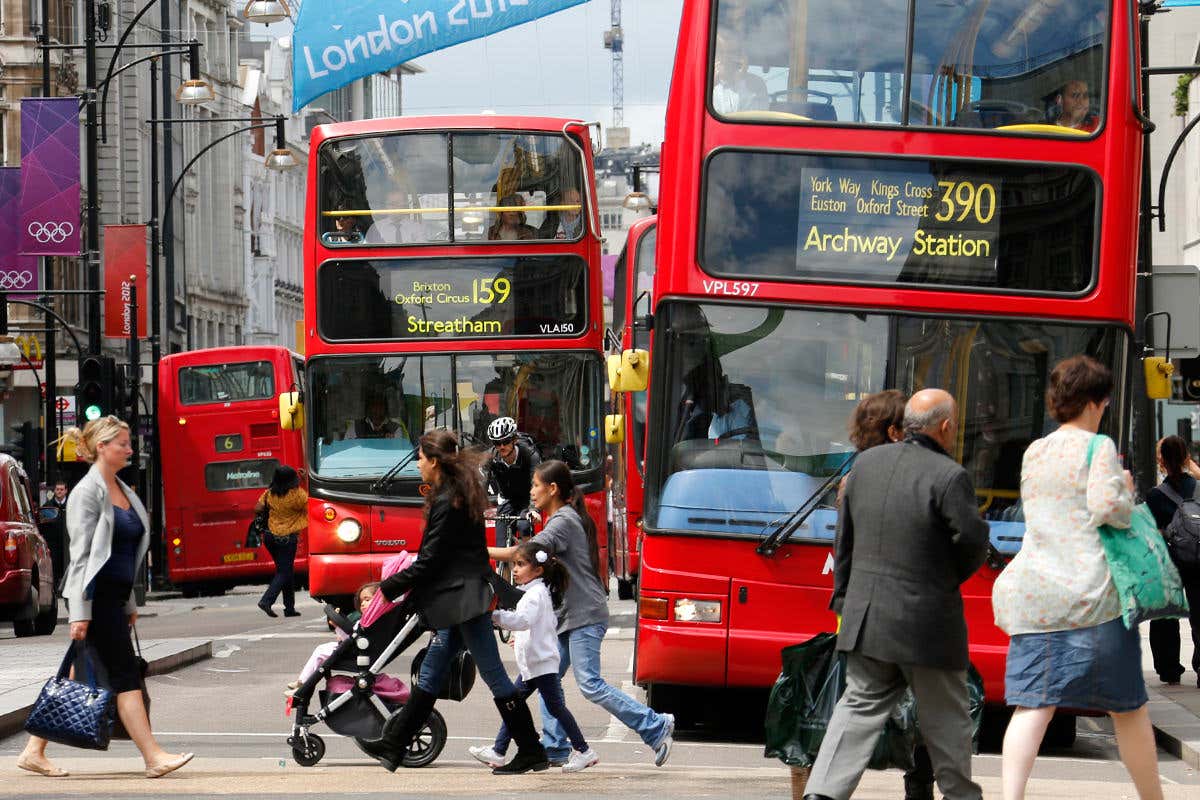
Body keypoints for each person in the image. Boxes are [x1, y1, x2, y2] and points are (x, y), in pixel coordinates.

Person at [803, 389, 988, 800]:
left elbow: (843, 542)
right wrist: (940, 581)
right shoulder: (949, 476)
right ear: (945, 427)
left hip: (867, 618)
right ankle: (961, 796)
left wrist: (845, 599)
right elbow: (973, 543)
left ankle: (821, 794)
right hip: (928, 628)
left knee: (857, 709)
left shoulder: (864, 466)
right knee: (947, 722)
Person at [992, 355, 1162, 800]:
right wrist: (1124, 488)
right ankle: (1153, 797)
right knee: (1128, 709)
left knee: (1033, 707)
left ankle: (1010, 797)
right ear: (1093, 402)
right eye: (1103, 401)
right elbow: (1108, 509)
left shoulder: (1035, 450)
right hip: (1093, 598)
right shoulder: (1097, 446)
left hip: (1037, 595)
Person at [355, 430, 549, 775]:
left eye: (419, 458)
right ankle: (394, 744)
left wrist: (389, 586)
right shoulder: (460, 493)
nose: (417, 464)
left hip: (464, 602)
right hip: (460, 599)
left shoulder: (448, 500)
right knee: (431, 673)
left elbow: (431, 560)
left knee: (496, 679)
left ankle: (532, 750)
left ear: (433, 461)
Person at [18, 417, 193, 780]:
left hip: (114, 597)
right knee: (123, 673)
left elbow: (125, 552)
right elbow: (80, 556)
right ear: (102, 447)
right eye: (123, 444)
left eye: (129, 444)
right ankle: (153, 756)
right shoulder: (86, 493)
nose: (130, 450)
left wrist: (129, 603)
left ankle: (33, 749)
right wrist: (79, 612)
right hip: (94, 598)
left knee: (80, 671)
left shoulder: (121, 488)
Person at [490, 460, 676, 768]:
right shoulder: (561, 519)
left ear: (552, 489)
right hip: (569, 617)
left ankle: (654, 725)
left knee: (589, 684)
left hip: (585, 615)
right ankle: (555, 747)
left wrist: (476, 552)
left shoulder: (562, 521)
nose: (531, 491)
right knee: (542, 674)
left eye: (536, 485)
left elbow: (519, 556)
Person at [470, 541, 599, 773]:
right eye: (514, 565)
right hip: (535, 664)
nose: (515, 570)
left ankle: (585, 751)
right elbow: (538, 625)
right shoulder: (536, 592)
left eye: (520, 564)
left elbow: (523, 621)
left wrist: (494, 616)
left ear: (538, 570)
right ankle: (498, 751)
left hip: (541, 665)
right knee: (515, 706)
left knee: (552, 707)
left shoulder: (535, 594)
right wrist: (516, 638)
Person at [1145, 436, 1200, 688]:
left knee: (1166, 614)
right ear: (1187, 457)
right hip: (1198, 558)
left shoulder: (1155, 495)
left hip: (1171, 560)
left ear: (1162, 462)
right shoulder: (1199, 487)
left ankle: (1169, 669)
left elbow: (1153, 534)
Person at [287, 581, 380, 695]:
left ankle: (302, 686)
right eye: (361, 602)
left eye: (367, 599)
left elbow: (351, 638)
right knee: (322, 649)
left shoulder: (371, 620)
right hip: (357, 648)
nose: (363, 604)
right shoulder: (369, 619)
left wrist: (338, 626)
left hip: (357, 652)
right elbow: (352, 636)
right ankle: (302, 682)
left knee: (320, 651)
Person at [256, 465, 308, 618]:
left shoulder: (269, 494)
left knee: (286, 571)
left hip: (269, 537)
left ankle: (289, 608)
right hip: (287, 538)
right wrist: (305, 480)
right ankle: (266, 601)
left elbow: (257, 508)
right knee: (284, 572)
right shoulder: (297, 494)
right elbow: (310, 504)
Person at [485, 416, 541, 547]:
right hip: (507, 499)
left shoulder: (530, 455)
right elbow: (481, 484)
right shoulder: (491, 457)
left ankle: (528, 558)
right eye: (497, 443)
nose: (502, 446)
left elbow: (536, 484)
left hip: (527, 498)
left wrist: (534, 510)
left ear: (514, 440)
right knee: (501, 543)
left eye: (506, 441)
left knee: (523, 525)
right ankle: (502, 567)